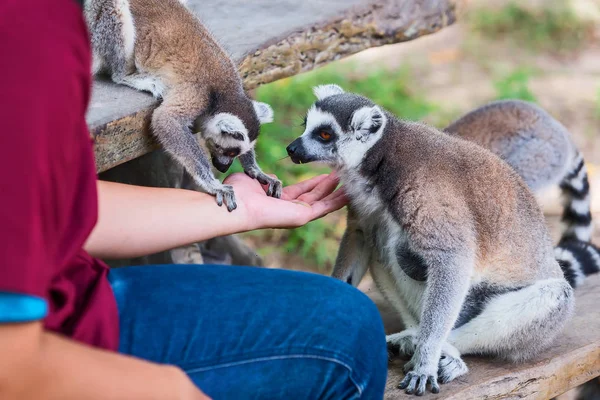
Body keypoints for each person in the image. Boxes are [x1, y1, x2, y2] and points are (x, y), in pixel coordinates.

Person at [0, 0, 387, 399]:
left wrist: (235, 206)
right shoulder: (33, 32)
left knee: (349, 321)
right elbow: (9, 365)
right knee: (344, 344)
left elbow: (47, 211)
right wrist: (172, 390)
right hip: (53, 334)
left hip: (63, 289)